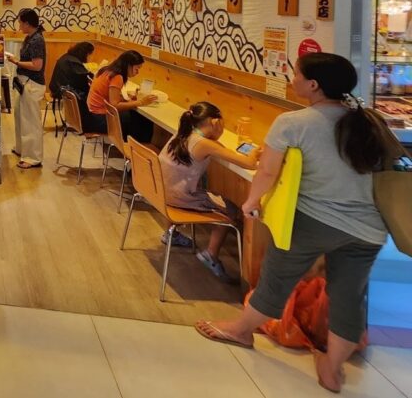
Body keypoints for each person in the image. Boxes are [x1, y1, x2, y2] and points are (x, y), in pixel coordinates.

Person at [196, 53, 391, 393]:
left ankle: (241, 331)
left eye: (296, 74)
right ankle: (332, 369)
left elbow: (268, 171)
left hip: (314, 220)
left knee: (277, 278)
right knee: (348, 297)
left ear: (313, 85)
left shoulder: (293, 122)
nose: (291, 78)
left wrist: (252, 201)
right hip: (369, 228)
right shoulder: (370, 120)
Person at [159, 102, 260, 280]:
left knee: (206, 191)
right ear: (215, 122)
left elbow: (220, 149)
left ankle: (170, 233)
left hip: (161, 192)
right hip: (179, 198)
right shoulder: (204, 143)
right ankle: (210, 255)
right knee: (231, 211)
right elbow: (250, 164)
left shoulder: (182, 133)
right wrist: (257, 151)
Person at [86, 49, 156, 143]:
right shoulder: (117, 77)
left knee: (135, 115)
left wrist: (129, 100)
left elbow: (110, 97)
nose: (137, 72)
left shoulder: (107, 70)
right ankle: (136, 150)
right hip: (99, 119)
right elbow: (114, 105)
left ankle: (133, 149)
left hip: (91, 115)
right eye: (137, 68)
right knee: (142, 119)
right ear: (128, 65)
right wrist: (141, 102)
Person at [6, 9, 46, 169]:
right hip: (24, 83)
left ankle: (33, 158)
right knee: (20, 117)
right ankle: (22, 148)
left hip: (32, 84)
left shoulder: (37, 40)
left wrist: (16, 62)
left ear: (28, 23)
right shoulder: (30, 37)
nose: (19, 25)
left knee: (30, 122)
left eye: (20, 22)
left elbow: (37, 66)